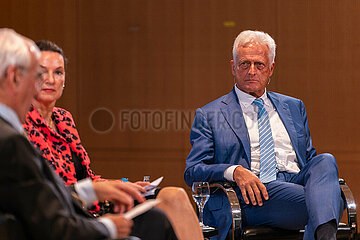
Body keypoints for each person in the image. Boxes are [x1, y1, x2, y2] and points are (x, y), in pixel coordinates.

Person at [0, 28, 202, 240]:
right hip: (74, 216)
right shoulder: (17, 130)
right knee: (155, 221)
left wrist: (119, 185)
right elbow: (46, 204)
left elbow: (84, 176)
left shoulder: (63, 118)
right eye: (39, 73)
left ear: (65, 79)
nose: (48, 80)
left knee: (171, 199)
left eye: (58, 72)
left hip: (85, 205)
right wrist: (104, 213)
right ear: (15, 77)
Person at [184, 30, 344, 240]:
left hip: (295, 183)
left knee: (326, 161)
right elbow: (193, 171)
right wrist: (234, 171)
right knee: (332, 201)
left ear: (271, 69)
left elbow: (309, 159)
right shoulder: (210, 114)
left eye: (259, 64)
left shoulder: (294, 106)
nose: (251, 71)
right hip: (253, 194)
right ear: (233, 67)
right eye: (244, 64)